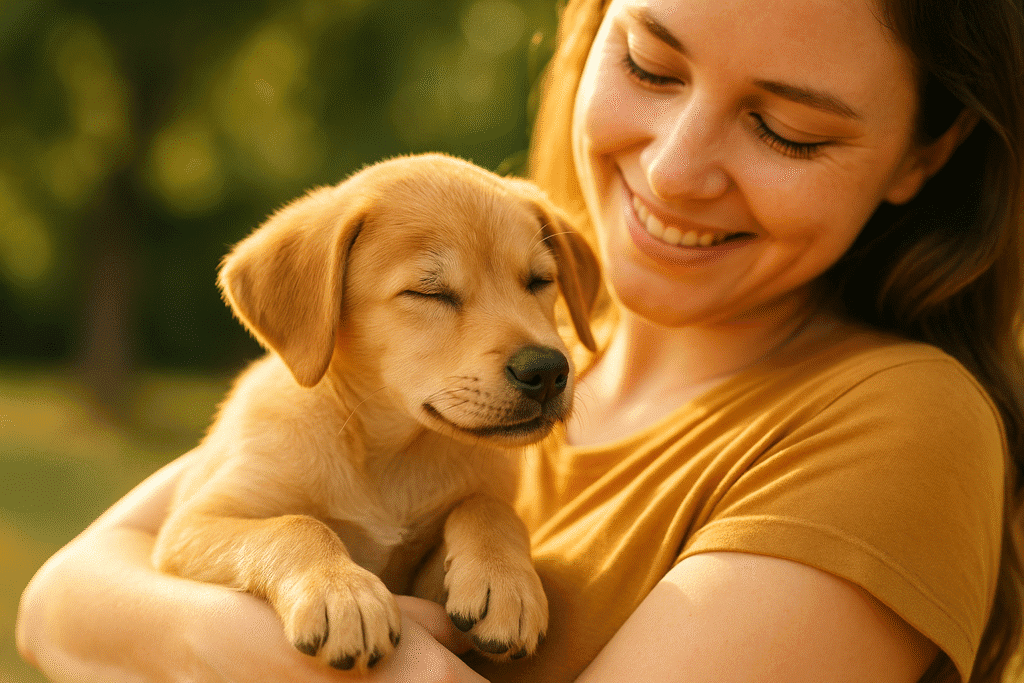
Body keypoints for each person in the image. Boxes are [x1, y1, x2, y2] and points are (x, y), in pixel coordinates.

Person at [17, 0, 1024, 680]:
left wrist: (378, 649)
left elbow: (106, 606)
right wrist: (274, 611)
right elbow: (57, 598)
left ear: (924, 152)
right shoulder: (393, 393)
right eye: (649, 64)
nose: (674, 172)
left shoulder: (899, 424)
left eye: (787, 129)